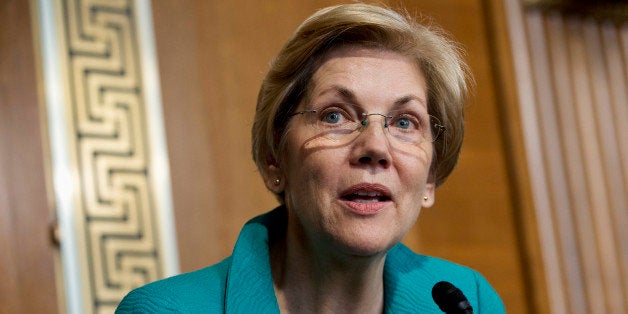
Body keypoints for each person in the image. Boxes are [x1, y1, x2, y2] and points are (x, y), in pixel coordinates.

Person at [117, 3, 505, 313]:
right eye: (334, 115)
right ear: (274, 158)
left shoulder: (466, 301)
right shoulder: (165, 309)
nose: (375, 147)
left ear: (431, 177)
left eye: (405, 122)